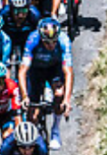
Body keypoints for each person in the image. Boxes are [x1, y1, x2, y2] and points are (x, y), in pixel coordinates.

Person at [21, 15, 73, 147]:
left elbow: (68, 72)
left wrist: (67, 100)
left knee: (59, 94)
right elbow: (22, 71)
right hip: (35, 70)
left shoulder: (64, 40)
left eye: (53, 42)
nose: (51, 45)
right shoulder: (32, 39)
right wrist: (24, 96)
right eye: (47, 42)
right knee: (32, 116)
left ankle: (55, 129)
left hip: (54, 68)